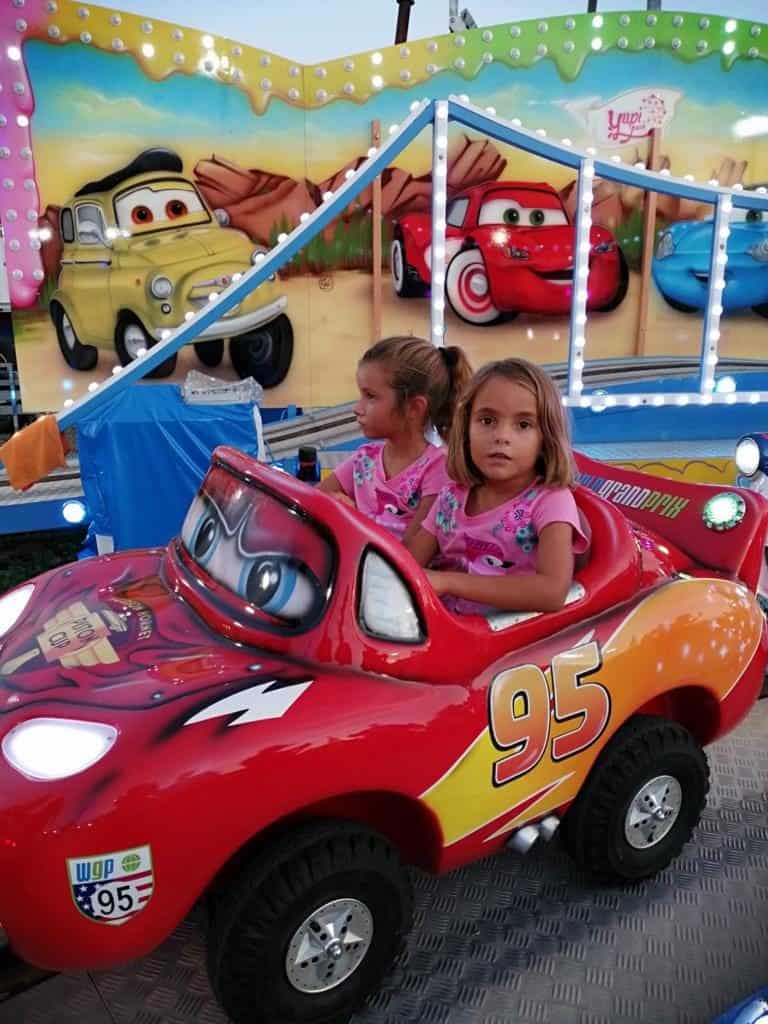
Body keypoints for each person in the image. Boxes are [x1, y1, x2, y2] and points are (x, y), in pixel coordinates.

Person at [406, 357, 589, 615]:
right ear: (466, 428)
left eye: (523, 425)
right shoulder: (451, 496)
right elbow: (409, 563)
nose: (501, 436)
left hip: (511, 640)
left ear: (546, 438)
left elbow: (552, 592)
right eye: (487, 421)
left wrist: (449, 582)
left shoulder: (551, 501)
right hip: (444, 627)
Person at [318, 336, 472, 542]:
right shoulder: (364, 460)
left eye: (370, 396)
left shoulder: (437, 470)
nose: (357, 408)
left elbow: (409, 553)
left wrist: (349, 520)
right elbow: (311, 500)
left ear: (414, 407)